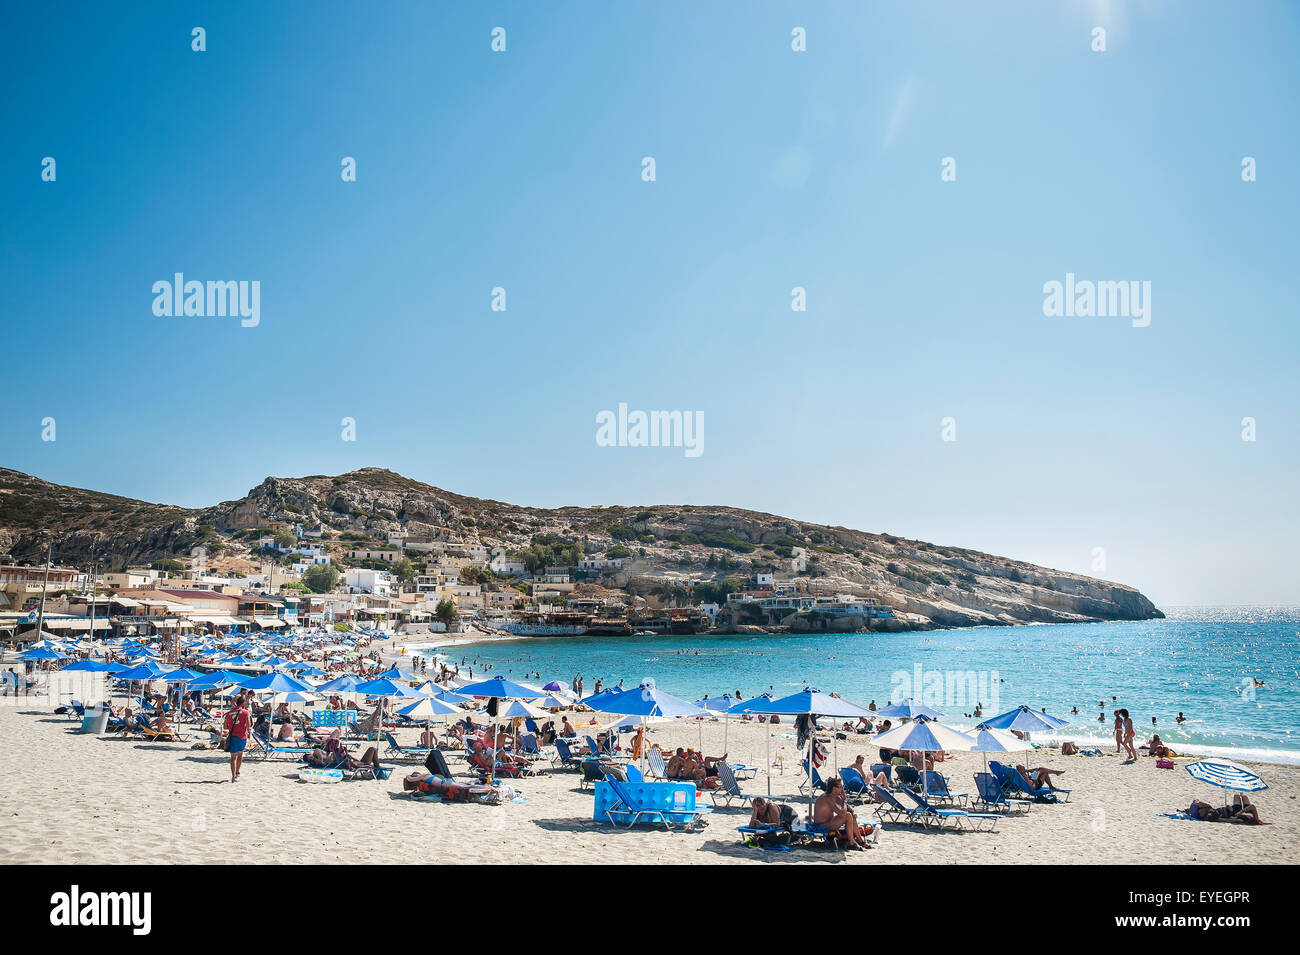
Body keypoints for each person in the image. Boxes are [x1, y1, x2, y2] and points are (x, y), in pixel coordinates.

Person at [812, 777, 867, 849]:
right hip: (822, 825)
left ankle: (860, 841)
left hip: (829, 822)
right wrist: (844, 801)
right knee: (847, 815)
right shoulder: (827, 798)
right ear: (834, 789)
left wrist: (853, 812)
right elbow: (842, 813)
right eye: (841, 787)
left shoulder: (834, 796)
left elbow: (847, 807)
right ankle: (851, 843)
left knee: (851, 815)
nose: (843, 789)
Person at [223, 692, 252, 783]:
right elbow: (248, 725)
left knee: (233, 757)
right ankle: (237, 772)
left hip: (233, 736)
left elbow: (225, 726)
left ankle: (233, 776)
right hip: (242, 736)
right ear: (243, 703)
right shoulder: (245, 712)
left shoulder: (229, 713)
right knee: (240, 756)